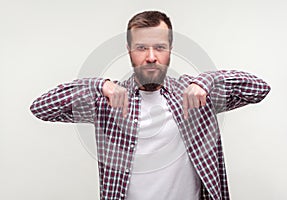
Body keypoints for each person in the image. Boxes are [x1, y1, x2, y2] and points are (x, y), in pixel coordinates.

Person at [30, 10, 271, 200]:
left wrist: (207, 81)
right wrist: (98, 84)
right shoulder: (108, 101)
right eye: (141, 48)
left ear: (170, 50)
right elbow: (42, 108)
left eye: (160, 47)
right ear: (129, 50)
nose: (151, 56)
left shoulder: (195, 95)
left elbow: (259, 89)